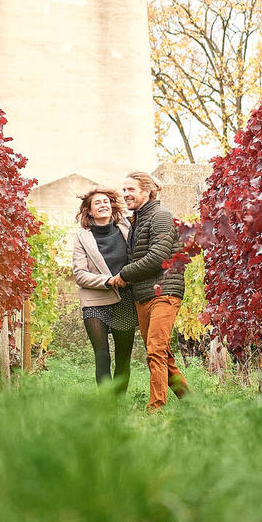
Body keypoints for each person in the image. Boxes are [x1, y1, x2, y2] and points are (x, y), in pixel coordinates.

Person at [108, 170, 190, 410]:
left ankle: (156, 408)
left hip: (164, 291)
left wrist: (124, 275)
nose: (125, 194)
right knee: (162, 353)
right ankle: (194, 405)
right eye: (124, 190)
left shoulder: (161, 216)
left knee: (155, 351)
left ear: (146, 191)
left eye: (130, 189)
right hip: (143, 295)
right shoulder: (138, 219)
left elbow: (158, 256)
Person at [71, 187, 137, 390]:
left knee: (123, 357)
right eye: (97, 202)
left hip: (124, 299)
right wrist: (108, 281)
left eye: (106, 201)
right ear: (89, 211)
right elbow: (79, 274)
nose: (103, 205)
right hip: (94, 300)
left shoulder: (126, 228)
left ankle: (119, 404)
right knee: (102, 354)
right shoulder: (82, 237)